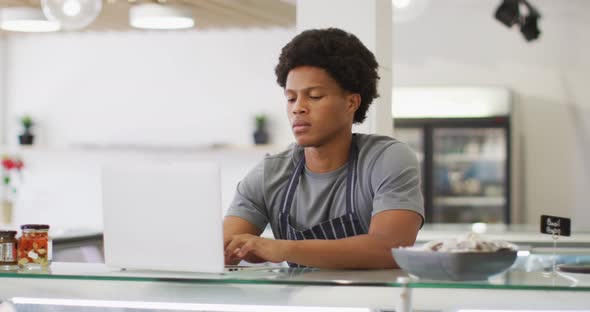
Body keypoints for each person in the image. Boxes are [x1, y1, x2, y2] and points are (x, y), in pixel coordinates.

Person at [224, 28, 424, 269]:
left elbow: (390, 249)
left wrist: (281, 248)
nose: (298, 108)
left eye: (315, 96)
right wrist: (239, 248)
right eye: (291, 98)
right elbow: (226, 246)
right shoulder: (270, 173)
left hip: (373, 305)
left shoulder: (387, 160)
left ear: (352, 102)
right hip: (300, 306)